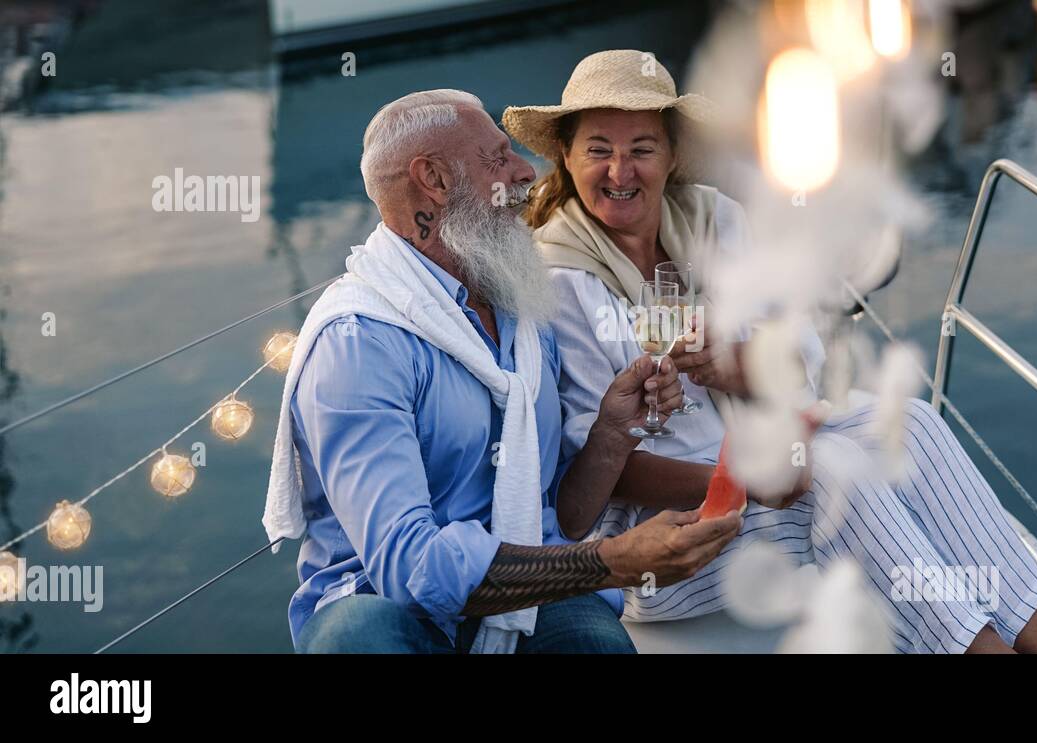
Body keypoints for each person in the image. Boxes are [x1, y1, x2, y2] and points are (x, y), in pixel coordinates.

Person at [504, 50, 1037, 653]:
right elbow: (594, 469)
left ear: (672, 156)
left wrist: (738, 366)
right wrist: (745, 480)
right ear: (565, 156)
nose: (620, 171)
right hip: (662, 537)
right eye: (598, 149)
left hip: (759, 456)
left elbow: (797, 361)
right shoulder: (559, 280)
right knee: (834, 469)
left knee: (909, 420)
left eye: (642, 148)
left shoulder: (716, 219)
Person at [262, 89, 743, 654]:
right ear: (434, 179)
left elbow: (564, 515)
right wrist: (610, 561)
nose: (526, 172)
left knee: (598, 643)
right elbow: (407, 566)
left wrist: (612, 431)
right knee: (358, 636)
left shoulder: (524, 313)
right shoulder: (359, 342)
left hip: (527, 593)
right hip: (386, 605)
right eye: (498, 157)